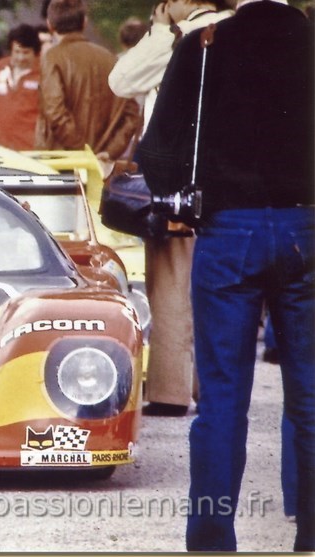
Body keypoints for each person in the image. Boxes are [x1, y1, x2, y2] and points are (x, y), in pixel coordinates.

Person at [137, 0, 314, 550]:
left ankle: (212, 538)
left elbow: (157, 151)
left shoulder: (206, 43)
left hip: (228, 228)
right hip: (306, 227)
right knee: (310, 396)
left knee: (221, 402)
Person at [108, 0, 233, 417]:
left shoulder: (184, 38)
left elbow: (121, 80)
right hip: (227, 179)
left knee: (170, 283)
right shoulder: (238, 31)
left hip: (175, 178)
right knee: (216, 288)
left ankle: (170, 389)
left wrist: (160, 30)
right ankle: (209, 385)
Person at [36, 0, 140, 161]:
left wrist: (83, 151)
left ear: (50, 24)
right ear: (84, 22)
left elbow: (55, 113)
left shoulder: (52, 58)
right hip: (101, 162)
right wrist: (110, 151)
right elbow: (132, 114)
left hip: (61, 160)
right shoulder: (110, 58)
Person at [0, 24, 42, 150]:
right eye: (17, 52)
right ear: (10, 50)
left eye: (26, 52)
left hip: (31, 148)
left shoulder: (44, 73)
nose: (21, 58)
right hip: (0, 146)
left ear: (35, 52)